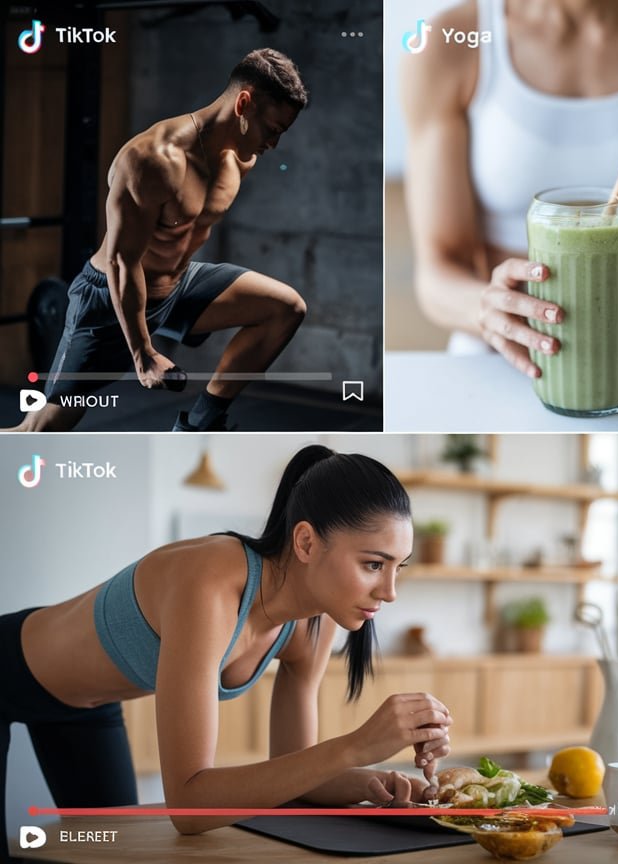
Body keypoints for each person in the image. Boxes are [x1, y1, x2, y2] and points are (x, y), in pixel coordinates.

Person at [1, 445, 451, 840]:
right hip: (9, 669)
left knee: (114, 854)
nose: (390, 591)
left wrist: (369, 781)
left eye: (398, 567)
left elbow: (293, 769)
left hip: (91, 707)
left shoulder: (315, 622)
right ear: (307, 542)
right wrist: (356, 745)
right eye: (374, 564)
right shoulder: (212, 580)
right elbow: (189, 806)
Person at [401, 0, 618, 377]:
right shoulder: (446, 46)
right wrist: (484, 310)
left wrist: (603, 345)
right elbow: (436, 270)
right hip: (496, 362)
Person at [11, 49, 310, 433]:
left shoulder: (242, 157)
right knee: (38, 433)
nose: (274, 144)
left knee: (286, 308)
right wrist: (143, 353)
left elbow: (190, 230)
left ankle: (200, 423)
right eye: (273, 129)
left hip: (180, 284)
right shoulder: (151, 160)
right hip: (109, 299)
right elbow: (122, 262)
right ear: (244, 103)